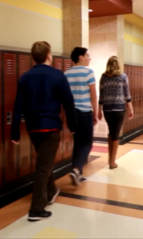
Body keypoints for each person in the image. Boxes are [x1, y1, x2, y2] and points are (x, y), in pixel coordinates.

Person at [11, 41, 76, 222]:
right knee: (42, 167)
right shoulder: (58, 76)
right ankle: (36, 210)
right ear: (49, 55)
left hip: (33, 128)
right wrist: (73, 126)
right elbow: (68, 103)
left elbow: (18, 106)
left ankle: (52, 190)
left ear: (34, 57)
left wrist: (15, 131)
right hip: (50, 127)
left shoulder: (25, 77)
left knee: (44, 162)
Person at [65, 47, 98, 186]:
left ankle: (79, 173)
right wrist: (95, 113)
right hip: (84, 112)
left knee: (77, 143)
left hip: (72, 113)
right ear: (80, 57)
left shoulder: (66, 73)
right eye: (87, 56)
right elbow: (93, 95)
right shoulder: (89, 72)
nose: (89, 58)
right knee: (87, 143)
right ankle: (76, 168)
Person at [98, 56, 133, 169]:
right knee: (116, 133)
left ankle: (110, 158)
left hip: (107, 109)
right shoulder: (123, 76)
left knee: (111, 132)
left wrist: (98, 110)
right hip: (119, 109)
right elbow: (127, 94)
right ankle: (112, 161)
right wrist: (131, 109)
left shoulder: (103, 77)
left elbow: (101, 95)